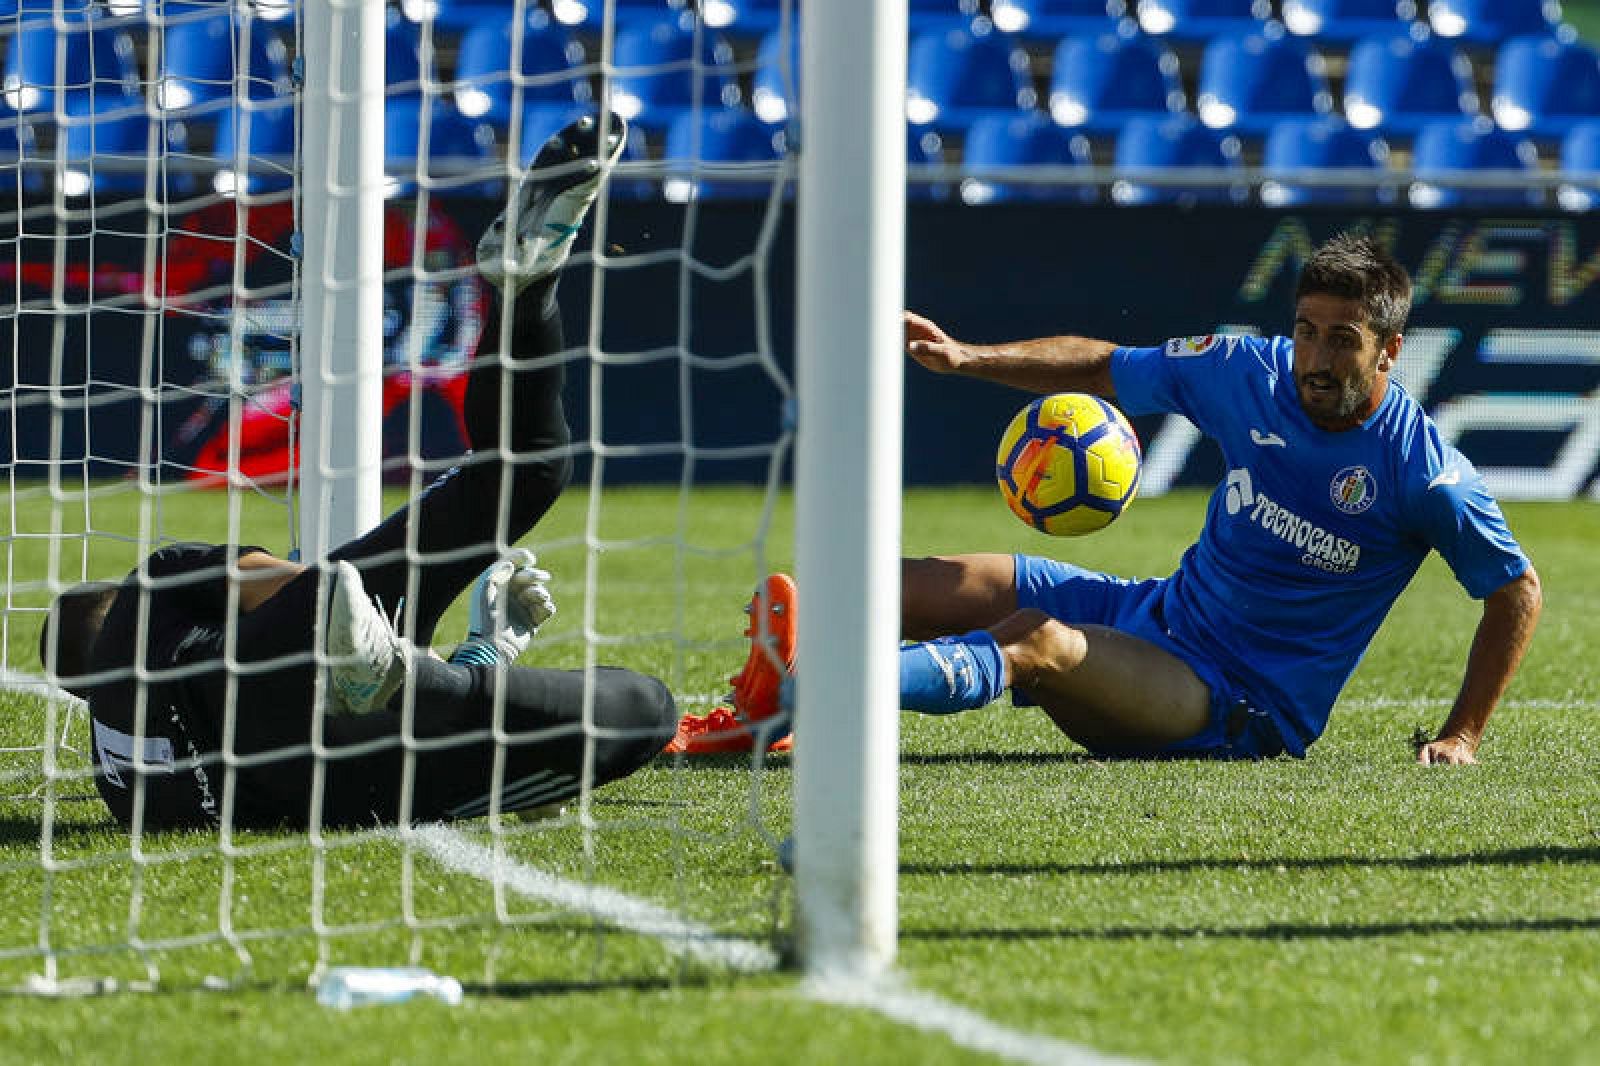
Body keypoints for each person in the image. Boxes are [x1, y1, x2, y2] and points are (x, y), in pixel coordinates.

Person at [669, 233, 1542, 765]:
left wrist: (1462, 734)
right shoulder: (1249, 371)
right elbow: (1104, 365)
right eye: (1306, 331)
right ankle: (766, 706)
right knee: (891, 584)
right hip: (1153, 612)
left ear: (1389, 352)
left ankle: (823, 688)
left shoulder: (1423, 473)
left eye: (1341, 341)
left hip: (1233, 703)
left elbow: (1516, 588)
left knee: (1035, 641)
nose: (1314, 358)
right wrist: (970, 359)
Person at [39, 113, 678, 830]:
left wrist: (474, 655)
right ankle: (526, 296)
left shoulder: (120, 789)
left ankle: (456, 687)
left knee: (647, 707)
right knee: (519, 474)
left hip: (356, 790)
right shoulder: (146, 598)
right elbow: (285, 588)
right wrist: (353, 622)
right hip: (267, 678)